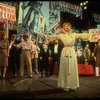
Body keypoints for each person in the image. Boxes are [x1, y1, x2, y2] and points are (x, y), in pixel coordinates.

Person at [43, 22, 91, 91]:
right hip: (65, 51)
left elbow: (82, 35)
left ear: (70, 27)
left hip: (71, 51)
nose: (66, 27)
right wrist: (45, 36)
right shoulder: (62, 35)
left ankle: (73, 85)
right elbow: (53, 36)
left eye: (67, 26)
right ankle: (65, 85)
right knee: (65, 68)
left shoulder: (74, 34)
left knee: (72, 68)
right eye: (64, 26)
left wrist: (90, 34)